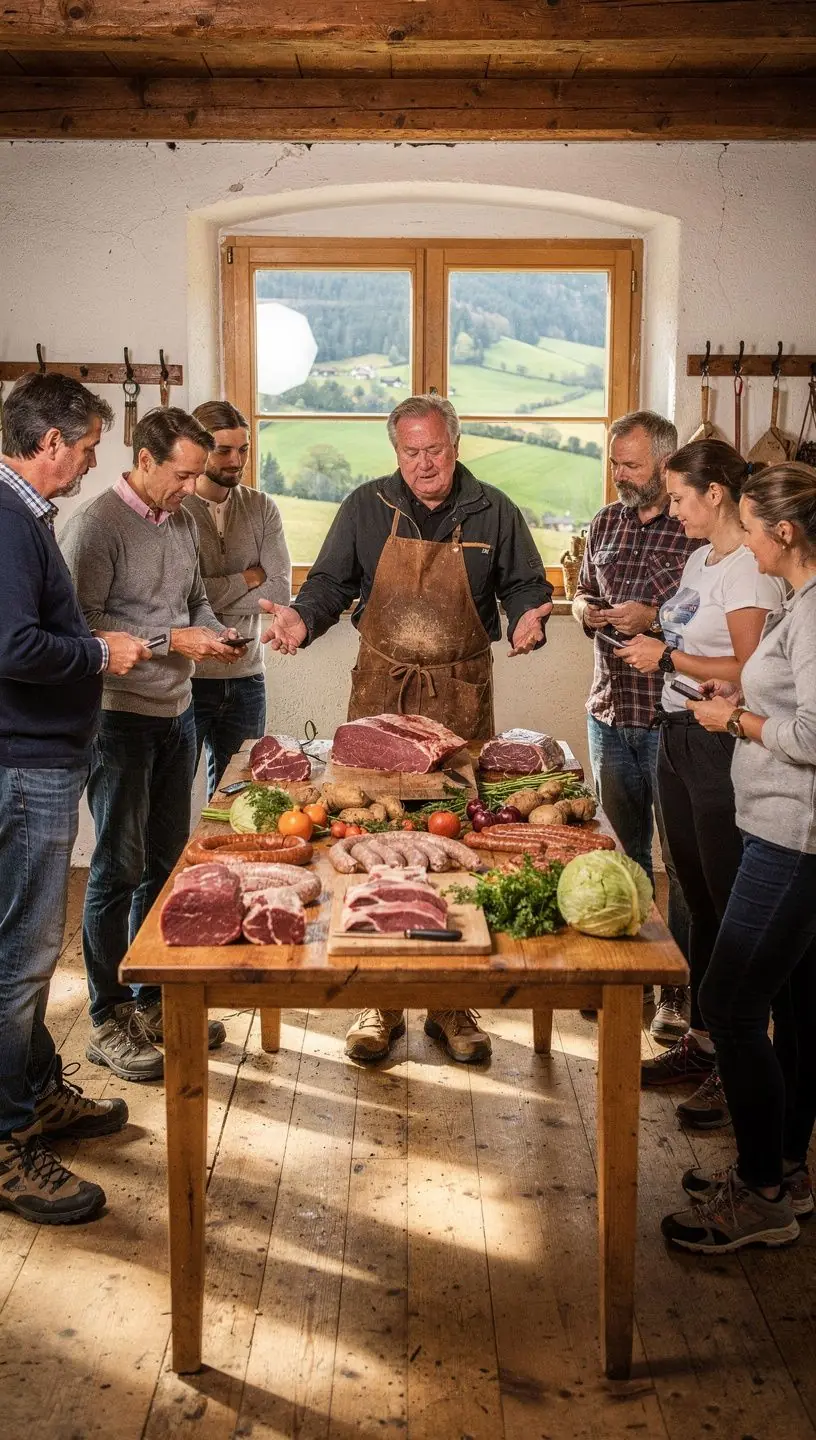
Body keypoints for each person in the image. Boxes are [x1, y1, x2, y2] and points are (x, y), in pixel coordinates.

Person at [260, 393, 554, 1066]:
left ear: (457, 444)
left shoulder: (493, 510)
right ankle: (381, 1001)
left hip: (459, 694)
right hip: (381, 695)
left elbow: (526, 584)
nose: (426, 465)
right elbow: (330, 585)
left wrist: (531, 615)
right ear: (396, 451)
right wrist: (303, 621)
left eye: (437, 451)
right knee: (377, 840)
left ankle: (453, 1005)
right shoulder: (367, 505)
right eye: (412, 452)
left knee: (453, 846)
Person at [0, 372, 149, 1224]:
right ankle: (9, 1139)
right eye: (87, 445)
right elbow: (14, 645)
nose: (92, 460)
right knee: (20, 961)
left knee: (17, 952)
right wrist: (100, 653)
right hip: (25, 766)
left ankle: (36, 1095)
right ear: (49, 441)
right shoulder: (10, 519)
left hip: (34, 761)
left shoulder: (24, 516)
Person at [61, 408, 246, 1082]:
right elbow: (82, 626)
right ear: (143, 460)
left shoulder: (184, 520)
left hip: (177, 711)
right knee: (116, 866)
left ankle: (150, 996)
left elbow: (194, 600)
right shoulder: (95, 526)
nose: (193, 485)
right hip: (119, 719)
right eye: (183, 473)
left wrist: (217, 631)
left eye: (199, 473)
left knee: (167, 865)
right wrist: (175, 641)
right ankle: (106, 1016)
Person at [663, 462, 816, 1253]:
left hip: (793, 836)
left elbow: (814, 735)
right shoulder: (804, 602)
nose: (746, 547)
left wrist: (739, 724)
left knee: (727, 1004)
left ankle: (758, 1194)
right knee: (794, 1003)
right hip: (784, 828)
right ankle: (788, 1165)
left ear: (782, 533)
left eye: (753, 530)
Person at [617, 442, 785, 1125]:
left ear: (716, 494)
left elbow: (753, 667)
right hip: (678, 734)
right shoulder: (698, 559)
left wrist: (668, 654)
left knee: (727, 895)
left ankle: (738, 1058)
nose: (672, 508)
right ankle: (707, 1042)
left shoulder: (750, 567)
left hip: (721, 742)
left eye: (680, 497)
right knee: (695, 892)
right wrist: (652, 629)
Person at [573, 411, 697, 1041]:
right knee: (623, 856)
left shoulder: (693, 530)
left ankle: (678, 995)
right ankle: (631, 979)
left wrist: (654, 617)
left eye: (632, 465)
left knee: (679, 861)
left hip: (670, 717)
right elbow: (580, 593)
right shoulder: (604, 522)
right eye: (614, 463)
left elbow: (717, 628)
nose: (619, 475)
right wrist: (585, 611)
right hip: (609, 711)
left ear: (666, 465)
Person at [184, 401, 291, 799]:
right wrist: (246, 578)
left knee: (241, 794)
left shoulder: (262, 507)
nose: (236, 460)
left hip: (247, 678)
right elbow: (184, 596)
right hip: (189, 679)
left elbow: (278, 591)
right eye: (223, 450)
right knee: (173, 796)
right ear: (197, 447)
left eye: (242, 449)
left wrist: (212, 590)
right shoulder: (177, 509)